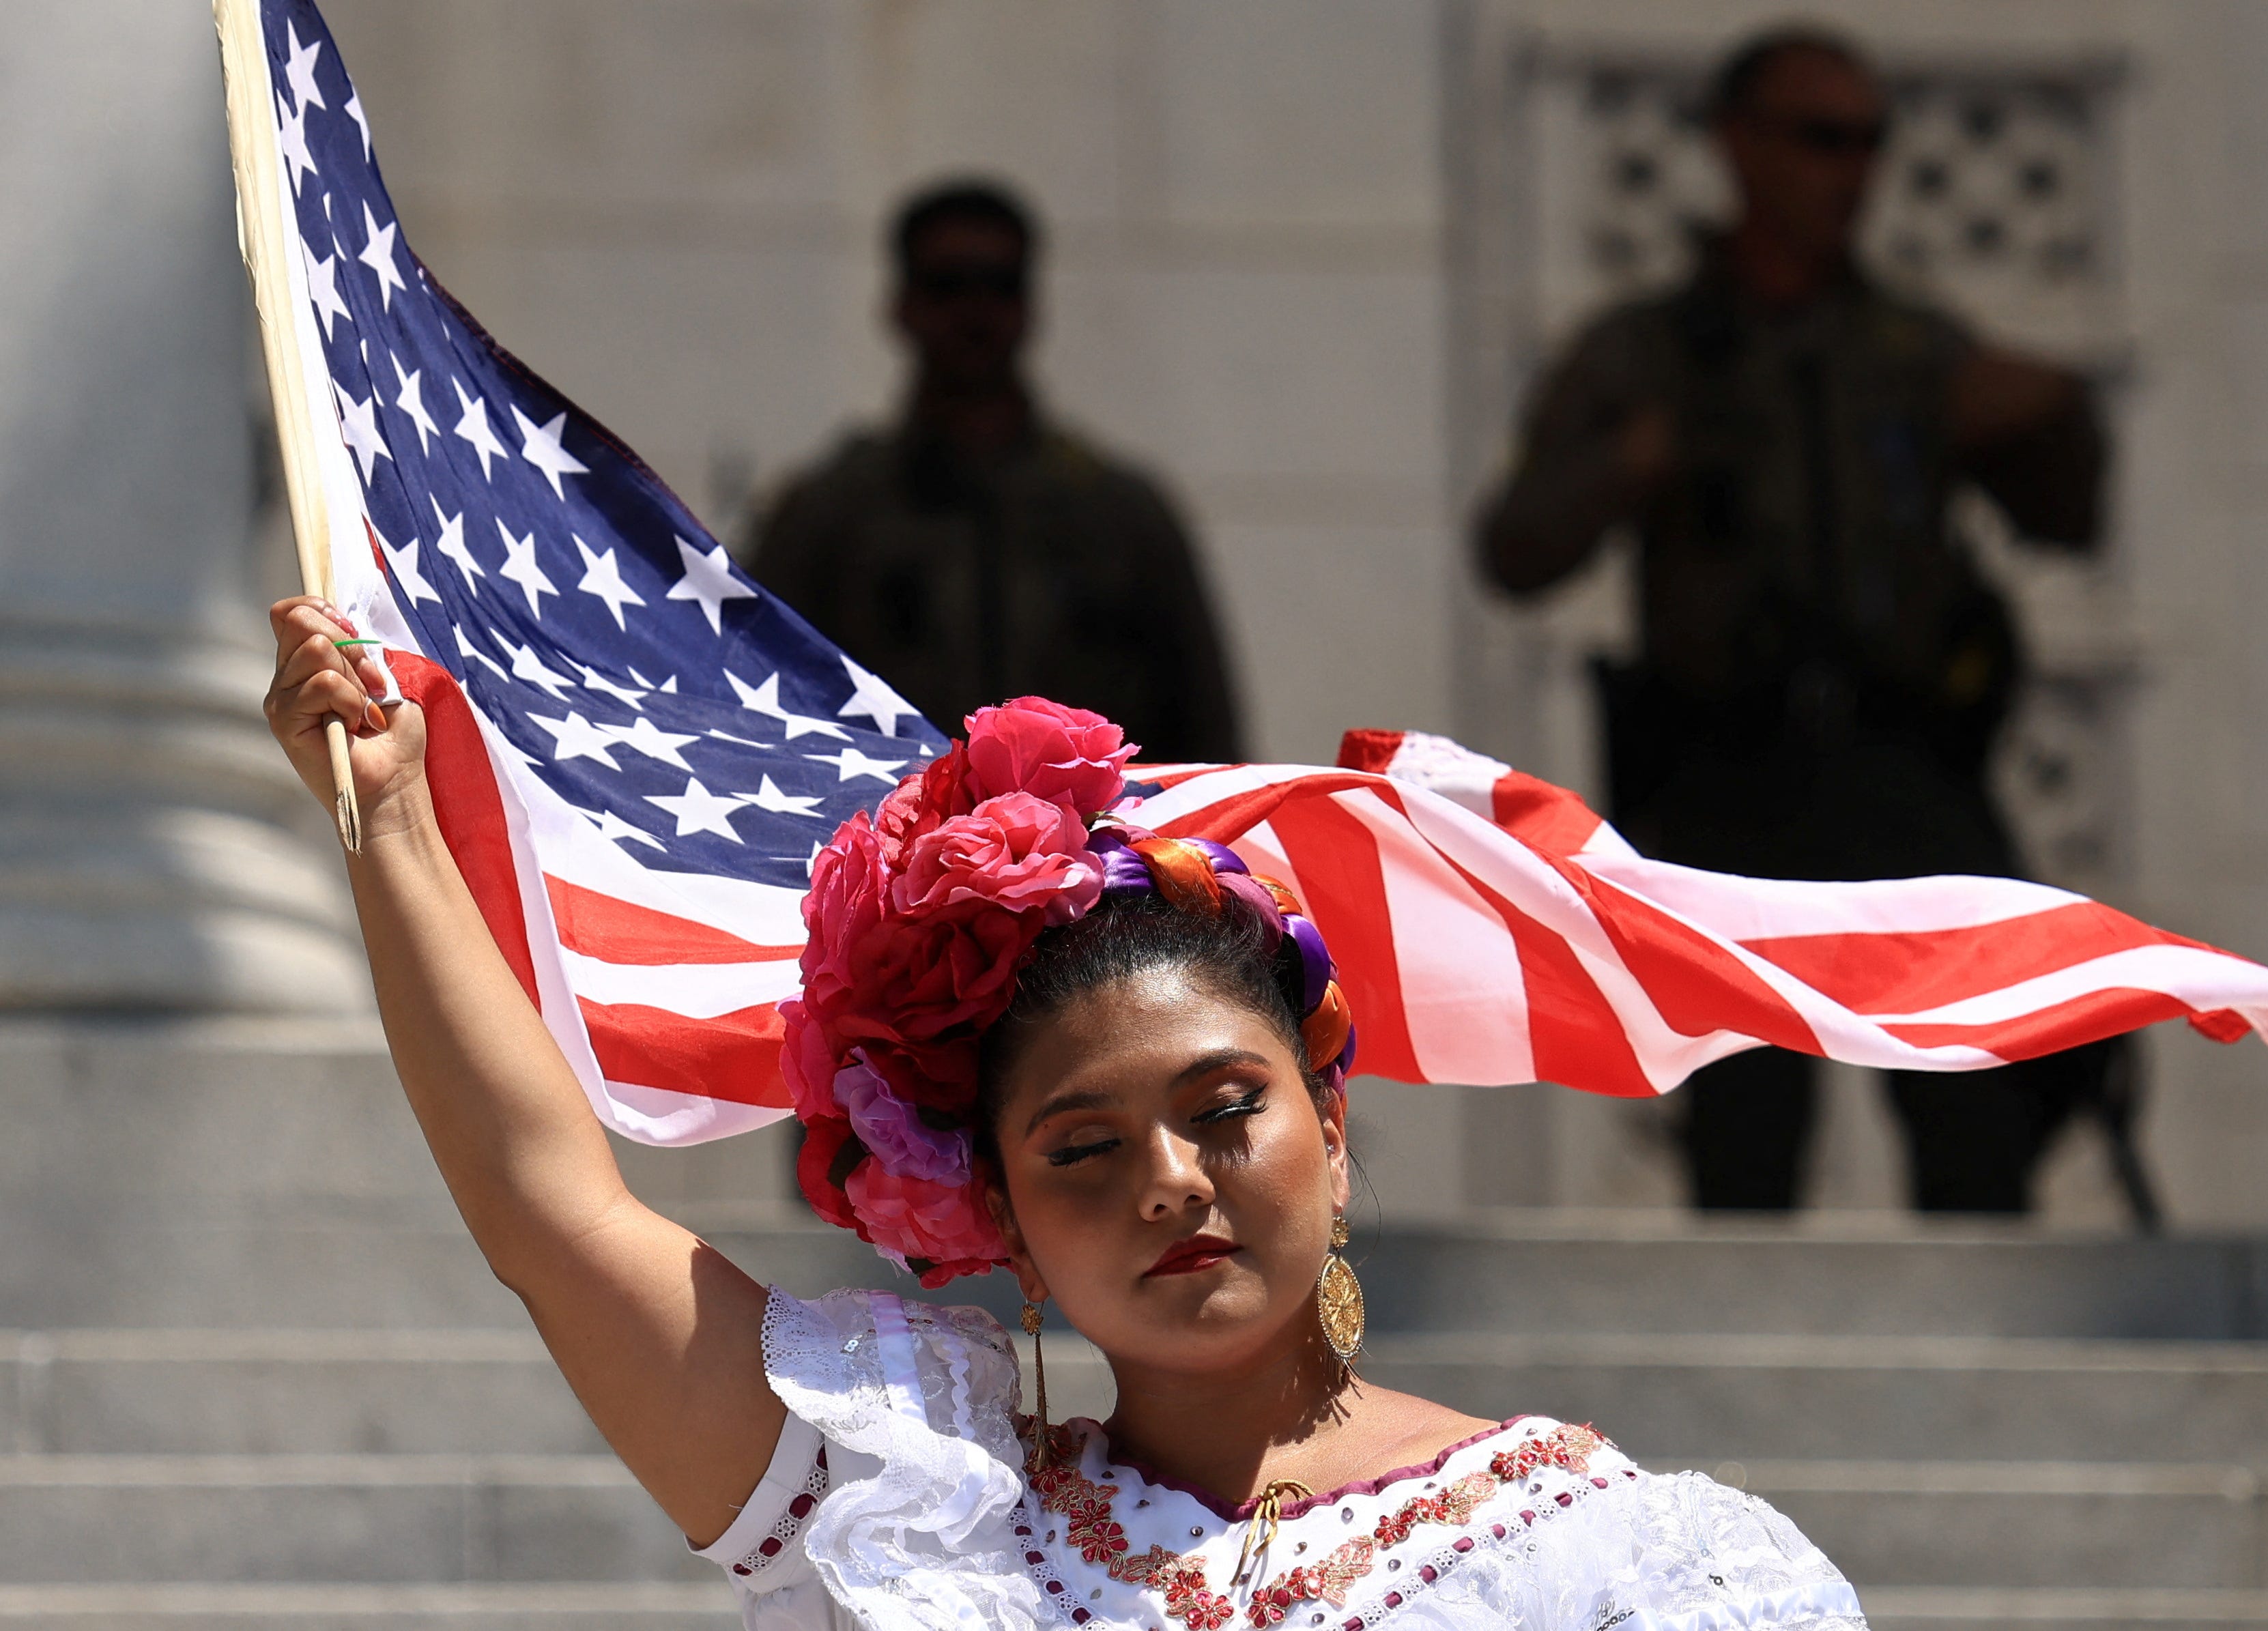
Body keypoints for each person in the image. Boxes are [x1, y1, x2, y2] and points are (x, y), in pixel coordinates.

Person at [263, 596, 1867, 1630]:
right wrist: (390, 819)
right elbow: (559, 1224)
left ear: (1335, 1128)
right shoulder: (924, 1513)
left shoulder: (1619, 1558)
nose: (1171, 1179)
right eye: (1082, 1147)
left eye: (1226, 1107)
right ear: (1004, 1227)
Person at [1475, 25, 2119, 1215]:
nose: (1850, 171)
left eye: (1869, 141)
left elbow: (2065, 519)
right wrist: (1636, 457)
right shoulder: (1653, 349)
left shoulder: (1908, 347)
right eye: (1822, 138)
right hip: (1731, 772)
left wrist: (2051, 422)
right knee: (1743, 1129)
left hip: (1900, 761)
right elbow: (1514, 547)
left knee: (1974, 1098)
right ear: (1738, 146)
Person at [749, 180, 1243, 767]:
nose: (975, 313)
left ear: (1030, 306)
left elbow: (1208, 734)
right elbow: (757, 702)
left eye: (1000, 286)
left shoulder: (1120, 515)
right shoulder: (829, 515)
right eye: (948, 285)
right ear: (902, 304)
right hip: (885, 842)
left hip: (1098, 848)